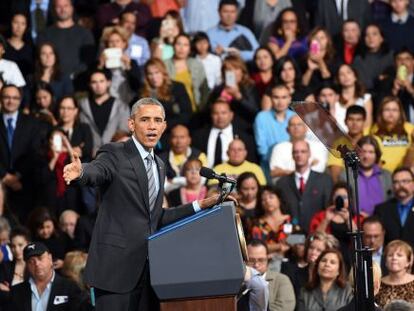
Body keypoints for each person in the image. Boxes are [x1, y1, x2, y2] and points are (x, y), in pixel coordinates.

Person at [62, 98, 225, 310]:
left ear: (164, 126)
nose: (152, 126)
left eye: (157, 120)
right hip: (115, 271)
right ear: (131, 124)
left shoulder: (159, 164)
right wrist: (82, 172)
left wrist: (200, 205)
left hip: (151, 272)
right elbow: (98, 171)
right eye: (145, 119)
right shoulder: (115, 152)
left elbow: (156, 217)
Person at [0, 85, 42, 222]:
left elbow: (35, 152)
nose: (10, 101)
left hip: (25, 182)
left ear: (20, 100)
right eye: (7, 97)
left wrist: (17, 175)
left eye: (15, 98)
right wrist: (4, 176)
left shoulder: (32, 123)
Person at [5, 242, 82, 311]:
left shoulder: (70, 287)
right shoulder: (16, 292)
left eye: (40, 258)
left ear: (50, 258)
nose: (37, 264)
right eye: (31, 261)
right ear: (27, 265)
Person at [276, 140, 333, 233]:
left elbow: (328, 208)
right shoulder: (282, 183)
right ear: (292, 155)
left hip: (317, 235)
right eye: (296, 152)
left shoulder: (324, 180)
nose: (299, 155)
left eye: (303, 151)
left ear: (309, 154)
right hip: (292, 237)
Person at [78, 69, 130, 156]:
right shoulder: (82, 106)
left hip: (114, 156)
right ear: (89, 85)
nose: (98, 85)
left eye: (101, 81)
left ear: (108, 82)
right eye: (94, 82)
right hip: (89, 157)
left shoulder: (121, 106)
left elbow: (124, 130)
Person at [37, 0, 95, 77]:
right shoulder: (44, 34)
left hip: (78, 81)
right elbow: (40, 60)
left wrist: (74, 75)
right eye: (59, 6)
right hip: (52, 81)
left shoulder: (85, 34)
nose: (62, 9)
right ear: (54, 9)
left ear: (72, 8)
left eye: (66, 6)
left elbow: (88, 61)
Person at [192, 99, 257, 167]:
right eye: (216, 113)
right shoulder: (199, 136)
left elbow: (251, 163)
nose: (220, 117)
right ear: (211, 115)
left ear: (231, 115)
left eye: (223, 113)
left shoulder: (245, 137)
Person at [340, 136, 393, 216]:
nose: (366, 156)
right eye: (363, 152)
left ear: (377, 155)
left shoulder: (387, 176)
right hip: (356, 221)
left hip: (382, 222)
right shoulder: (346, 175)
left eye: (371, 152)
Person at [140, 58, 192, 135]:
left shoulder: (177, 88)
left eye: (157, 73)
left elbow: (186, 114)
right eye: (150, 74)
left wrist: (165, 125)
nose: (154, 77)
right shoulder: (142, 92)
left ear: (163, 73)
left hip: (172, 131)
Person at [208, 54, 260, 132]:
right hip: (221, 129)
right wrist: (217, 102)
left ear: (242, 71)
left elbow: (255, 112)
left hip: (244, 129)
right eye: (228, 69)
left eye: (236, 68)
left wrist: (239, 97)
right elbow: (207, 111)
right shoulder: (218, 89)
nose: (232, 73)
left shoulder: (249, 87)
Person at [281, 232, 340, 299]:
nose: (313, 252)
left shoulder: (330, 278)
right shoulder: (294, 273)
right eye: (311, 248)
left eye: (319, 250)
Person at [269, 115, 328, 181]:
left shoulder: (318, 147)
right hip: (286, 187)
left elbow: (318, 170)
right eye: (292, 125)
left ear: (306, 128)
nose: (296, 127)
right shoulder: (278, 148)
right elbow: (274, 172)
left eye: (299, 124)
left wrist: (285, 172)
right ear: (287, 130)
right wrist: (307, 167)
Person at [97, 26, 142, 106]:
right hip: (108, 104)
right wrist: (101, 66)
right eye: (111, 42)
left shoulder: (132, 63)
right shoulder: (101, 64)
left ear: (124, 44)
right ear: (107, 44)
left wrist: (128, 67)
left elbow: (137, 86)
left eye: (117, 41)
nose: (114, 44)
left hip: (129, 103)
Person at [164, 33, 209, 111]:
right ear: (173, 46)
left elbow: (204, 90)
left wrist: (202, 109)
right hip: (172, 111)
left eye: (185, 45)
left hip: (194, 109)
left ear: (190, 48)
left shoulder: (196, 65)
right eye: (178, 44)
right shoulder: (165, 65)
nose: (181, 48)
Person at [247, 240, 296, 311]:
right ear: (244, 260)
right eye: (251, 260)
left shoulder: (281, 280)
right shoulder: (239, 282)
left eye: (261, 260)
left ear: (267, 258)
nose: (256, 265)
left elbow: (285, 308)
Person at [254, 83, 295, 169]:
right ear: (271, 99)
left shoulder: (295, 117)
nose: (280, 102)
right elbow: (261, 148)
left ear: (289, 99)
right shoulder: (261, 117)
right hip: (269, 166)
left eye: (284, 97)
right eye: (276, 97)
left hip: (293, 164)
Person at [157, 124, 207, 191]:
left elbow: (202, 181)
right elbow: (162, 185)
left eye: (182, 137)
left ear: (189, 140)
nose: (179, 141)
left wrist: (174, 181)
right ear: (170, 140)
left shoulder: (200, 156)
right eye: (175, 137)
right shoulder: (160, 159)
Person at [370, 96, 414, 172]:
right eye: (387, 109)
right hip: (381, 174)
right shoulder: (371, 129)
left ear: (400, 112)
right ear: (381, 112)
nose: (391, 113)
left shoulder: (410, 129)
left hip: (406, 173)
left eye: (395, 110)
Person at [326, 105, 368, 182]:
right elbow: (335, 172)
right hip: (346, 184)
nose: (354, 123)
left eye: (358, 120)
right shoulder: (338, 144)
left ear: (364, 122)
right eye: (351, 119)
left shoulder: (371, 141)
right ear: (345, 121)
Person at [374, 167, 414, 247]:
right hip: (391, 257)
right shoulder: (382, 210)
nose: (401, 185)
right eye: (396, 182)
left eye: (405, 181)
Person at [251, 186, 291, 258]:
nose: (267, 201)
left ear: (279, 199)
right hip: (266, 263)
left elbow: (301, 239)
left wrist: (291, 242)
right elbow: (257, 246)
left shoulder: (290, 220)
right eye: (263, 199)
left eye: (271, 197)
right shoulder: (257, 224)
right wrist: (279, 246)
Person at [353, 23, 394, 91]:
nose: (370, 38)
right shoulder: (358, 60)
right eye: (367, 35)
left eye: (374, 34)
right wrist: (377, 80)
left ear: (381, 38)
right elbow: (361, 83)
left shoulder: (391, 56)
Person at [375, 240, 414, 307]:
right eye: (390, 255)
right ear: (386, 262)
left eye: (399, 255)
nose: (394, 258)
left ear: (408, 262)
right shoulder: (378, 284)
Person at [333, 63, 373, 128]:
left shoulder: (365, 98)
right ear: (338, 79)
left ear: (355, 76)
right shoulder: (334, 98)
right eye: (341, 74)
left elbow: (367, 124)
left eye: (348, 72)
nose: (345, 76)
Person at [4, 13, 34, 77]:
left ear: (26, 26)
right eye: (16, 22)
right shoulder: (2, 46)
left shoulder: (30, 49)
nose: (19, 27)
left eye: (23, 24)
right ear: (11, 23)